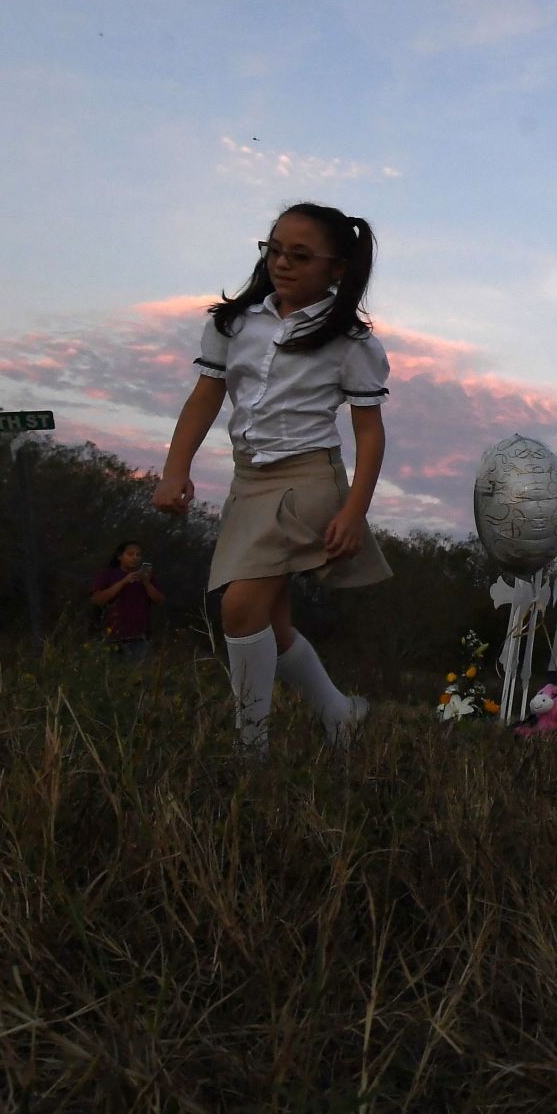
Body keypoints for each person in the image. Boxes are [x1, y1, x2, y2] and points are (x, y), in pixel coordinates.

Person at [153, 203, 393, 755]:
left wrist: (354, 511)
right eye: (275, 249)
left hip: (307, 481)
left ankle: (250, 749)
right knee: (270, 622)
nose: (283, 263)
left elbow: (370, 434)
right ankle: (338, 713)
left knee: (238, 608)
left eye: (301, 256)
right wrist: (175, 469)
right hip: (248, 480)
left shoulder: (351, 344)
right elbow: (206, 397)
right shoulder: (233, 323)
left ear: (337, 268)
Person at [88, 540, 164, 659]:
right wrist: (123, 582)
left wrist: (146, 582)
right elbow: (98, 600)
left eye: (138, 555)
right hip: (109, 637)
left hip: (138, 639)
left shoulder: (147, 578)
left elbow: (159, 600)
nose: (134, 558)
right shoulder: (107, 575)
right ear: (120, 556)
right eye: (130, 554)